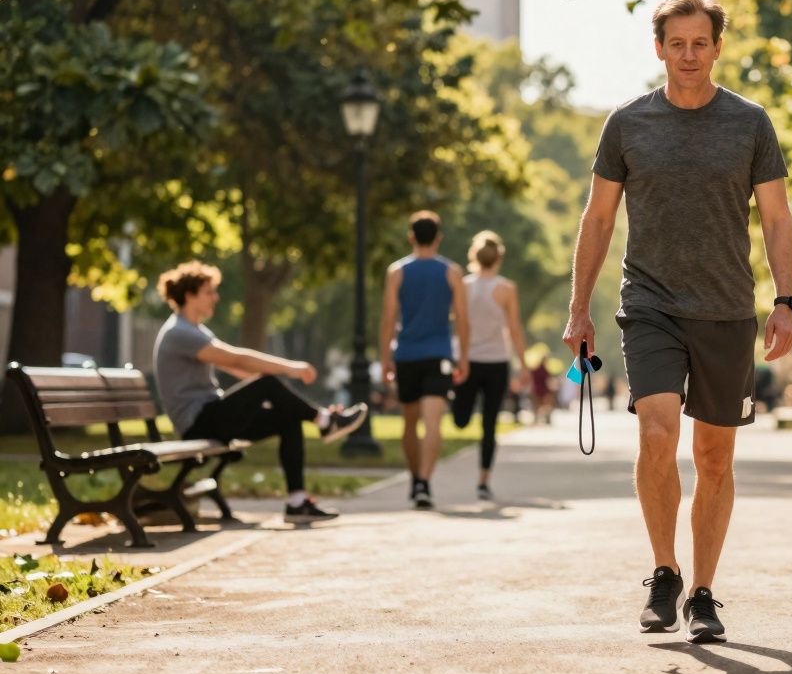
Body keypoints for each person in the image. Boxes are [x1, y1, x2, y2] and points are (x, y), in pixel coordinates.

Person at [562, 0, 792, 644]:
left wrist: (785, 301)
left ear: (718, 47)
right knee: (658, 434)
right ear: (658, 48)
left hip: (727, 310)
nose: (689, 55)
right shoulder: (628, 124)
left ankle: (702, 593)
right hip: (651, 304)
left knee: (715, 456)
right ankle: (664, 570)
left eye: (701, 43)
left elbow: (777, 218)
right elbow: (599, 217)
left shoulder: (750, 123)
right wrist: (579, 309)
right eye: (677, 43)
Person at [152, 261, 367, 524]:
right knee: (266, 384)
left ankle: (297, 502)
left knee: (288, 416)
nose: (216, 298)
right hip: (197, 423)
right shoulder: (179, 333)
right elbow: (238, 360)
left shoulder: (195, 331)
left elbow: (237, 370)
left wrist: (283, 396)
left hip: (211, 417)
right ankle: (324, 421)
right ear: (189, 295)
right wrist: (290, 368)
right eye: (209, 292)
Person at [379, 211, 470, 509]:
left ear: (411, 237)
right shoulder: (452, 272)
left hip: (406, 355)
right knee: (433, 424)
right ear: (439, 237)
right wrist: (464, 357)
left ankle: (416, 478)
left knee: (409, 423)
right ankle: (425, 483)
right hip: (439, 355)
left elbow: (389, 318)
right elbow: (462, 319)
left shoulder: (397, 272)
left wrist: (385, 359)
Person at [451, 231, 529, 501]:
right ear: (499, 258)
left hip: (485, 361)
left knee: (475, 421)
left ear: (474, 256)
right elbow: (515, 329)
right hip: (482, 363)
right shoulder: (503, 288)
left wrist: (521, 363)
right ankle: (484, 479)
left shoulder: (465, 285)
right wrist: (523, 364)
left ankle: (483, 481)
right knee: (485, 424)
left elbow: (456, 321)